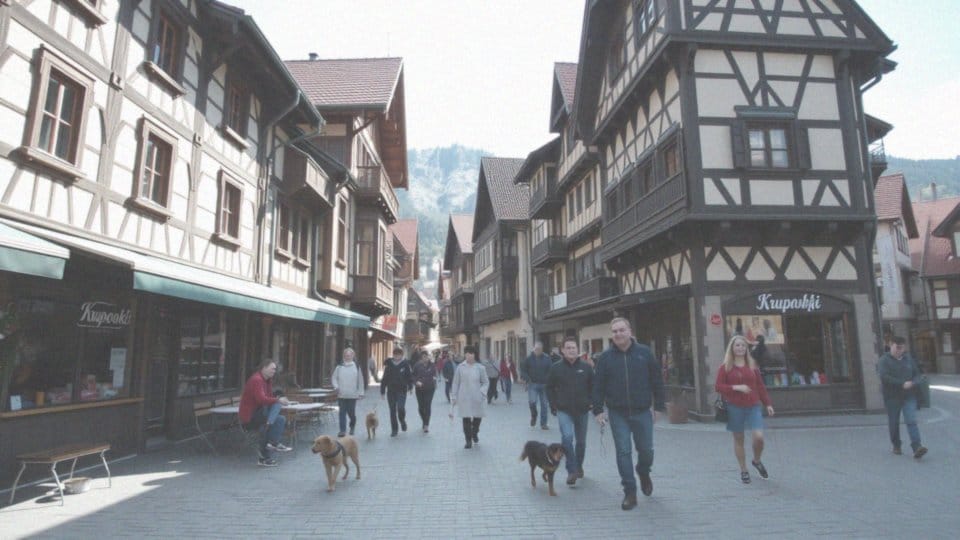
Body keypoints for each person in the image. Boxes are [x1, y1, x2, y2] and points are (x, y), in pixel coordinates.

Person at [592, 318, 665, 510]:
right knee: (623, 451)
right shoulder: (605, 358)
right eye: (614, 331)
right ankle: (630, 492)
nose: (618, 334)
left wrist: (659, 406)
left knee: (646, 450)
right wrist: (598, 410)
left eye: (621, 330)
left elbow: (657, 380)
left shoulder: (644, 353)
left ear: (630, 331)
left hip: (642, 411)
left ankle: (643, 471)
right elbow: (598, 385)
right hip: (618, 413)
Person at [715, 335, 775, 484]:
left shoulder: (752, 365)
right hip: (734, 407)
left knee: (759, 438)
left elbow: (760, 386)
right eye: (737, 345)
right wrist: (736, 387)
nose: (740, 348)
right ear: (732, 348)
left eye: (743, 345)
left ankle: (756, 460)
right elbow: (718, 386)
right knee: (739, 439)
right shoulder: (725, 367)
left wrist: (768, 403)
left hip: (753, 406)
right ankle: (744, 470)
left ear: (746, 348)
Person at [547, 337, 593, 486]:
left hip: (582, 410)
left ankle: (579, 466)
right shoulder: (556, 368)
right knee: (567, 437)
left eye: (573, 347)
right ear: (562, 350)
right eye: (568, 348)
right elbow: (549, 387)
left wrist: (591, 402)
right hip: (564, 410)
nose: (571, 350)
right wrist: (553, 404)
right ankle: (571, 470)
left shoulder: (586, 367)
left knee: (581, 442)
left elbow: (593, 386)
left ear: (577, 349)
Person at [878, 336, 927, 459]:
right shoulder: (884, 360)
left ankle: (917, 447)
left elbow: (917, 374)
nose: (899, 351)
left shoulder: (908, 359)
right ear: (891, 345)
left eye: (902, 348)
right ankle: (896, 445)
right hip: (892, 397)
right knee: (894, 422)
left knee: (911, 420)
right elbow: (884, 377)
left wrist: (914, 382)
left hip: (909, 395)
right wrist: (901, 383)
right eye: (897, 347)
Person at [239, 359, 292, 467]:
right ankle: (269, 429)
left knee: (280, 420)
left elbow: (269, 398)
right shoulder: (257, 379)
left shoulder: (267, 381)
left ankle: (270, 447)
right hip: (250, 416)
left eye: (275, 369)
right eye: (272, 369)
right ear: (264, 368)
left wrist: (279, 399)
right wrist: (278, 400)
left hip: (260, 413)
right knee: (276, 406)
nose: (274, 371)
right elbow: (261, 399)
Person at [450, 346, 488, 449]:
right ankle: (468, 440)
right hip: (464, 396)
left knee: (477, 417)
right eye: (467, 353)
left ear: (474, 355)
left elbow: (485, 382)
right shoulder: (460, 367)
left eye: (471, 353)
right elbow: (455, 383)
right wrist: (454, 396)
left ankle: (474, 433)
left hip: (477, 396)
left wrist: (482, 392)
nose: (469, 355)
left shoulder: (480, 368)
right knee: (466, 418)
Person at [331, 348, 365, 437]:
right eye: (346, 355)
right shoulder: (339, 367)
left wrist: (361, 393)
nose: (347, 357)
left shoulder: (356, 366)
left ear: (353, 356)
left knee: (351, 413)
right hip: (341, 394)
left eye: (349, 355)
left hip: (352, 395)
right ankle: (342, 430)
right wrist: (336, 387)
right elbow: (334, 378)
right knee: (342, 413)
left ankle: (352, 425)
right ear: (344, 356)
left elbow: (360, 380)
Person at [380, 346, 413, 436]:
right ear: (393, 355)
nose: (397, 356)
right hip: (391, 391)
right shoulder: (389, 365)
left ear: (402, 355)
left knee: (401, 408)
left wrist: (410, 387)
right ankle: (394, 429)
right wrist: (382, 391)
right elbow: (384, 379)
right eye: (395, 354)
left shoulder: (405, 364)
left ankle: (402, 420)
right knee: (392, 410)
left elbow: (409, 376)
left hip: (402, 390)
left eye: (399, 355)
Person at [521, 341, 553, 430]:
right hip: (532, 384)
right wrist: (527, 379)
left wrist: (548, 379)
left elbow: (551, 370)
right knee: (532, 402)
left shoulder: (547, 358)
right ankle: (534, 415)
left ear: (542, 350)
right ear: (533, 349)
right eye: (536, 349)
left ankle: (543, 424)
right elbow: (523, 370)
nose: (537, 351)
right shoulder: (528, 359)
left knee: (544, 405)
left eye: (539, 349)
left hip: (544, 385)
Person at [412, 350, 437, 433]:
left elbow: (434, 375)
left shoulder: (432, 365)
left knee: (427, 405)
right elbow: (413, 376)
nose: (425, 359)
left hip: (430, 389)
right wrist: (416, 382)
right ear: (421, 358)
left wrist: (434, 381)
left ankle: (426, 424)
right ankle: (424, 420)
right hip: (419, 389)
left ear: (428, 357)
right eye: (423, 357)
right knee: (421, 407)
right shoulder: (417, 365)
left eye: (426, 357)